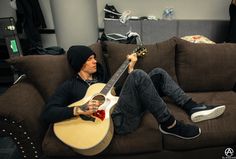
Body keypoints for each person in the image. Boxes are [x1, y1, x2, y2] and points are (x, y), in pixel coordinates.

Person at [41, 45, 226, 140]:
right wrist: (79, 109)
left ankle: (191, 106)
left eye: (95, 58)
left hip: (124, 108)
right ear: (79, 63)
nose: (95, 61)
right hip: (116, 123)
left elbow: (119, 94)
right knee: (138, 75)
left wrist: (130, 69)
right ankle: (169, 125)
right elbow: (48, 113)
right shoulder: (69, 86)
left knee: (158, 73)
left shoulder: (101, 80)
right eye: (90, 59)